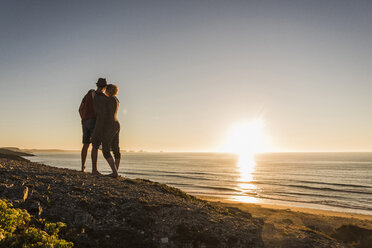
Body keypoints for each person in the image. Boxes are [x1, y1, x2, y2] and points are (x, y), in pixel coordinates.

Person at [78, 78, 107, 175]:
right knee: (95, 145)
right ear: (104, 87)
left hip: (85, 121)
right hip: (94, 121)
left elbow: (79, 109)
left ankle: (83, 167)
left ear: (97, 85)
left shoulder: (89, 93)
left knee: (85, 145)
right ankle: (94, 169)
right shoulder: (102, 96)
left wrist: (83, 118)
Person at [92, 84, 121, 178]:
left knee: (105, 150)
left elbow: (99, 105)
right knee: (116, 149)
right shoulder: (116, 100)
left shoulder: (108, 99)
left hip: (110, 125)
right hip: (116, 124)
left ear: (108, 90)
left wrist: (95, 96)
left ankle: (114, 172)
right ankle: (115, 171)